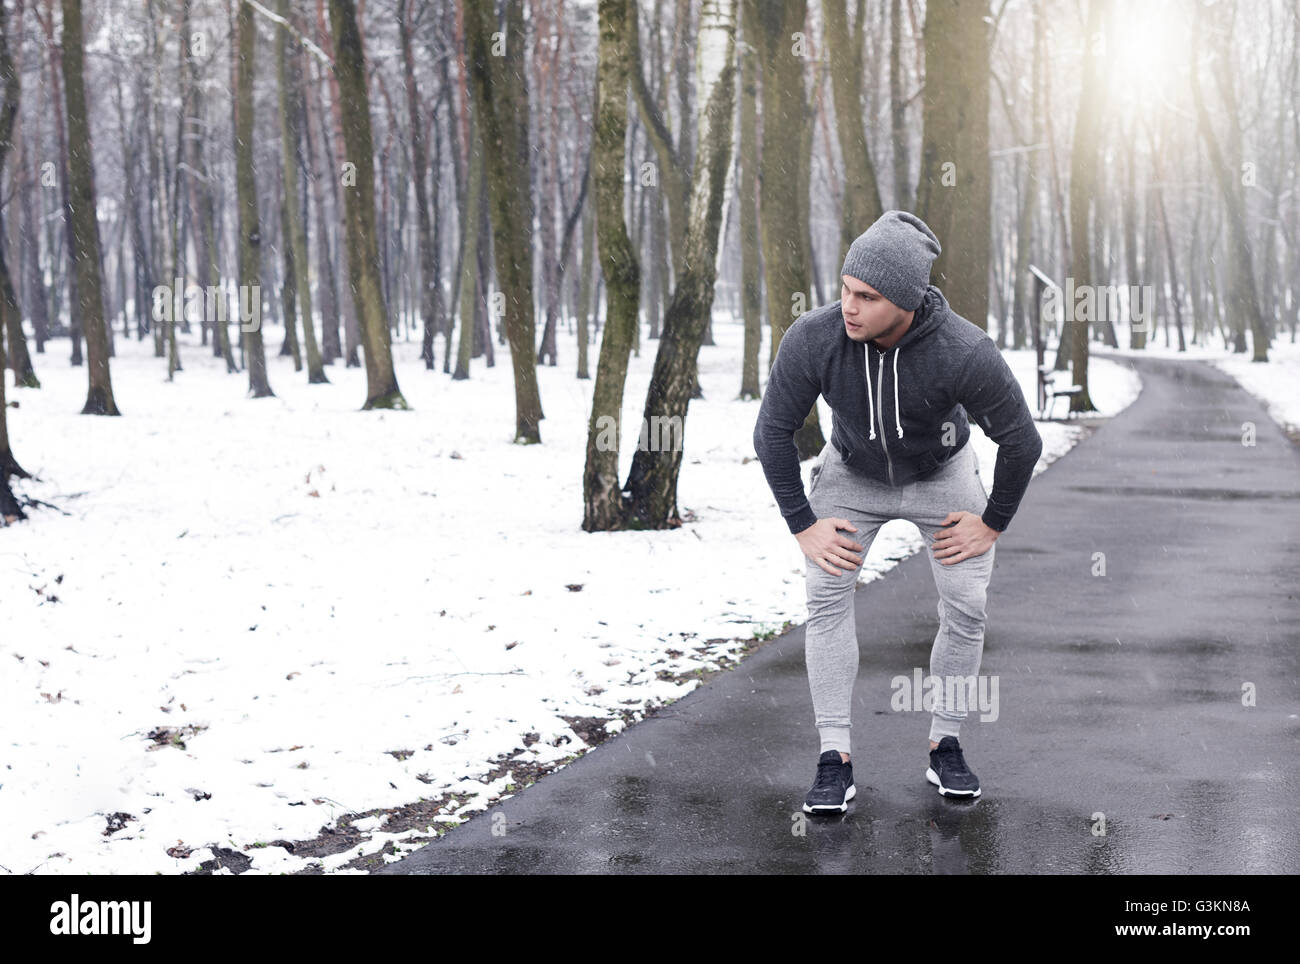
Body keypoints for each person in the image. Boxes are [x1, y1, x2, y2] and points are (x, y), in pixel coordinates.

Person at [751, 210, 1044, 813]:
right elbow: (772, 433)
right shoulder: (815, 337)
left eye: (868, 296)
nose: (850, 306)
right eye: (845, 289)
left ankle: (947, 743)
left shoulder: (963, 349)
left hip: (943, 476)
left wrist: (990, 522)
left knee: (967, 606)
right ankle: (835, 757)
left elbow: (1022, 441)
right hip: (852, 476)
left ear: (907, 301)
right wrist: (802, 524)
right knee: (826, 598)